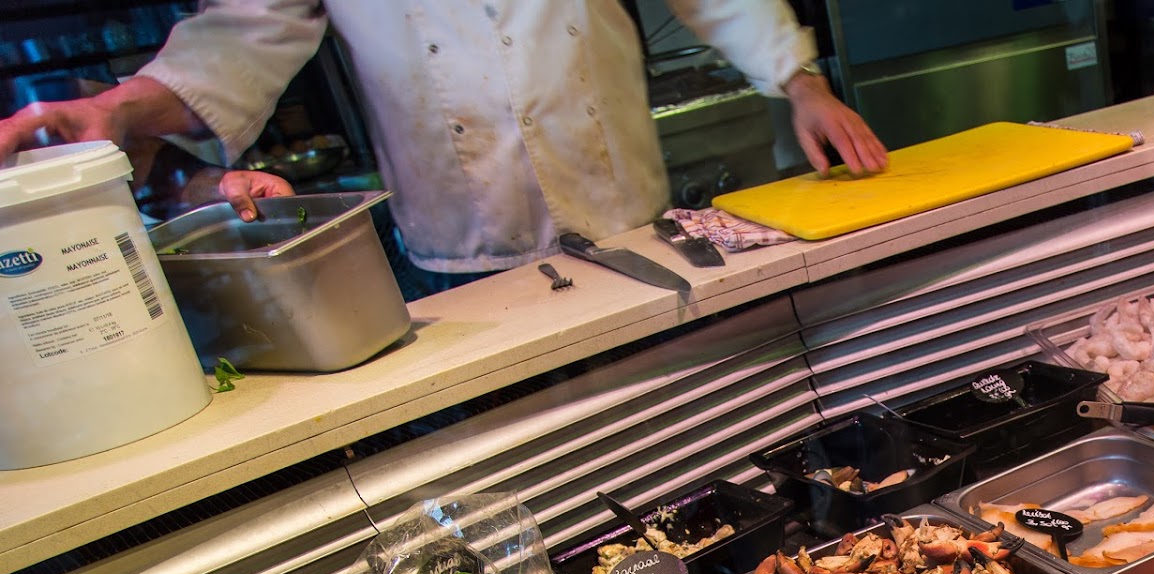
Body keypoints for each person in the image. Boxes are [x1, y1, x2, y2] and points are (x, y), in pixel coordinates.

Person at [0, 0, 886, 282]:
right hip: (461, 251)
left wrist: (799, 80)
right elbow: (241, 36)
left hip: (625, 215)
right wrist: (124, 108)